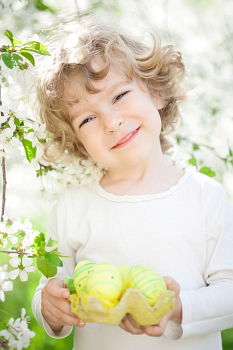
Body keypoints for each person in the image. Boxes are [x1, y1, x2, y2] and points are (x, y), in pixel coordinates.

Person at [32, 17, 233, 350]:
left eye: (120, 95)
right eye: (87, 119)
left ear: (155, 91)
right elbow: (52, 289)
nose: (112, 122)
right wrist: (49, 307)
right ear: (78, 142)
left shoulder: (204, 197)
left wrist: (180, 309)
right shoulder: (73, 206)